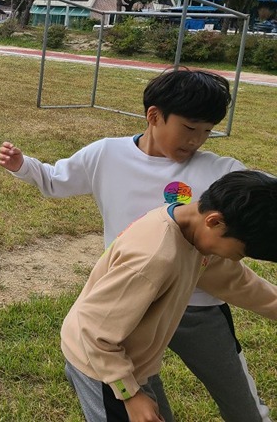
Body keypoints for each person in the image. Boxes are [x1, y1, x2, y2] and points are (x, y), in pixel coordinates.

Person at [0, 68, 271, 421]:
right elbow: (55, 180)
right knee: (133, 388)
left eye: (207, 132)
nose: (196, 141)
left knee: (239, 397)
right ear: (154, 116)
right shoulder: (106, 155)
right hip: (134, 305)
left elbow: (261, 196)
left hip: (200, 301)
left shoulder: (222, 171)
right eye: (189, 128)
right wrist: (25, 166)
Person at [60, 170, 277, 421]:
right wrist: (130, 394)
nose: (235, 259)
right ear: (215, 221)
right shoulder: (154, 259)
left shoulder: (192, 230)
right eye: (240, 252)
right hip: (101, 367)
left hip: (135, 362)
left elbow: (236, 281)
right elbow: (92, 330)